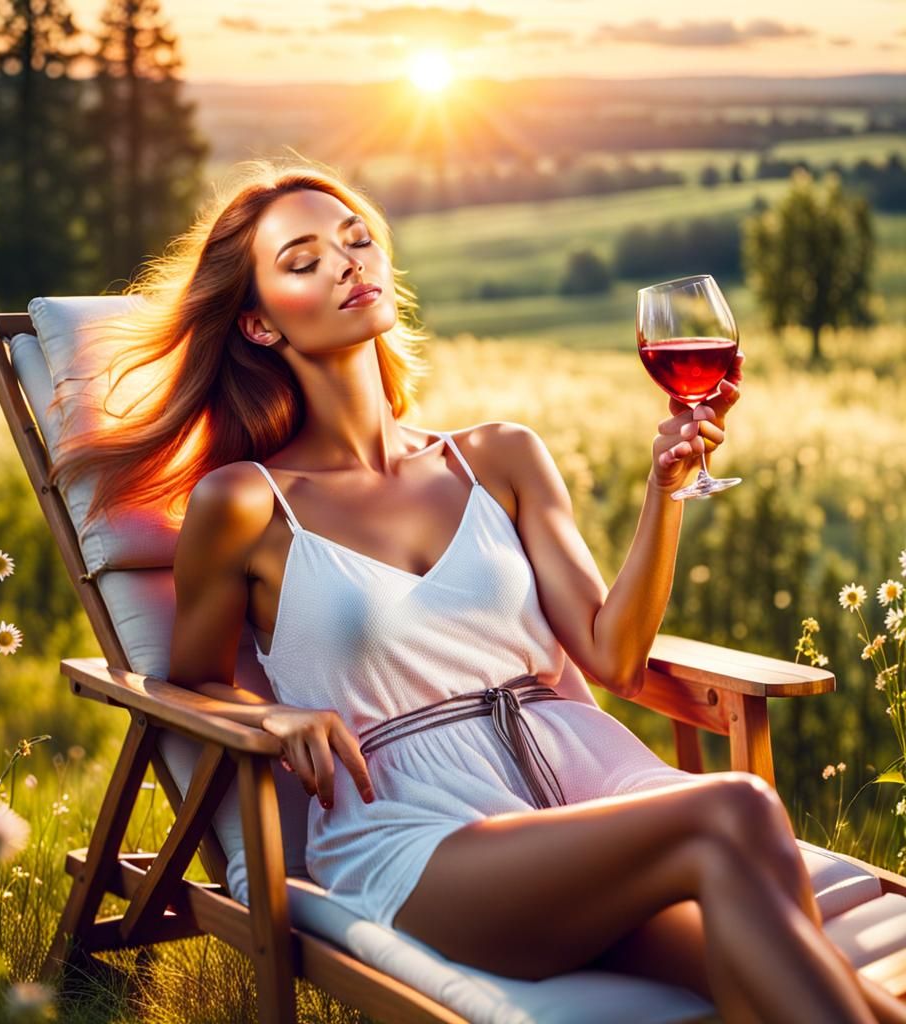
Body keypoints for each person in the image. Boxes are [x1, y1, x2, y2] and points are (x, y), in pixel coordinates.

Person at [50, 156, 906, 1024]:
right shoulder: (244, 502)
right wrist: (271, 716)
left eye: (358, 241)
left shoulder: (499, 456)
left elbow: (612, 656)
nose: (350, 263)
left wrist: (667, 489)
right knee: (738, 808)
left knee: (791, 982)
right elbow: (191, 680)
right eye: (304, 261)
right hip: (422, 835)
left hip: (590, 788)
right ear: (261, 325)